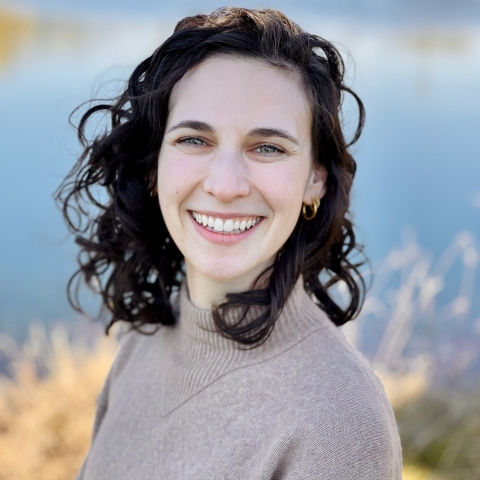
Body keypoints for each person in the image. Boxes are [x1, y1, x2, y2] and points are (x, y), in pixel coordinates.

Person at [56, 7, 402, 479]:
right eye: (194, 140)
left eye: (268, 147)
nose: (225, 184)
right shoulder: (150, 334)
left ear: (315, 180)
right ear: (154, 167)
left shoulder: (340, 422)